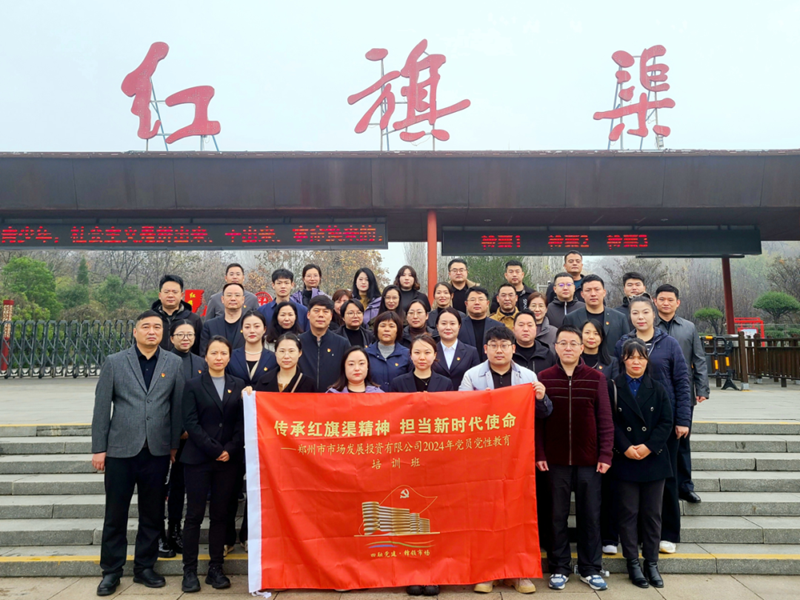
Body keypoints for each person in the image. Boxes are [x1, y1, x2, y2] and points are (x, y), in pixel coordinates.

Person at [91, 310, 184, 596]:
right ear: (135, 331)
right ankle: (111, 571)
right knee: (115, 513)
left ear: (163, 333)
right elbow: (101, 407)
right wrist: (99, 448)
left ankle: (145, 567)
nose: (151, 331)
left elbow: (176, 407)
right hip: (120, 450)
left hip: (156, 451)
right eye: (146, 327)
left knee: (152, 513)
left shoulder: (174, 363)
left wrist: (173, 445)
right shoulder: (115, 362)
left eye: (157, 327)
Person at [458, 326, 551, 596]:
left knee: (519, 514)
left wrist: (541, 397)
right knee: (485, 515)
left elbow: (544, 413)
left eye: (504, 345)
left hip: (518, 459)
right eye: (494, 345)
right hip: (483, 459)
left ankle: (518, 573)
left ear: (513, 348)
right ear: (485, 349)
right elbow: (461, 414)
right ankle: (487, 572)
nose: (499, 350)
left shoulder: (528, 376)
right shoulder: (472, 375)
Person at [537, 325, 613, 592]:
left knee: (590, 515)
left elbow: (605, 419)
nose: (568, 348)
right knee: (556, 516)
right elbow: (538, 422)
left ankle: (590, 568)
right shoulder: (544, 377)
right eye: (563, 343)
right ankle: (559, 567)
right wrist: (540, 453)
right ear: (555, 347)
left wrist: (605, 453)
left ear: (582, 348)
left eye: (573, 343)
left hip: (589, 461)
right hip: (555, 460)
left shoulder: (596, 378)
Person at [615, 296, 691, 555]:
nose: (640, 317)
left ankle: (668, 534)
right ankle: (636, 537)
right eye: (635, 313)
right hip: (630, 421)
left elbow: (681, 380)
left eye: (645, 312)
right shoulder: (623, 343)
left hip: (662, 422)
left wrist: (683, 419)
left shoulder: (668, 343)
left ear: (654, 314)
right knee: (633, 484)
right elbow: (616, 377)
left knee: (665, 480)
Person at [179, 336, 245, 593]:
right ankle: (189, 570)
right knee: (194, 516)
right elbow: (190, 422)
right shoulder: (193, 385)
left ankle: (216, 568)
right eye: (214, 353)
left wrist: (230, 449)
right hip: (198, 459)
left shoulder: (239, 385)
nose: (219, 357)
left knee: (220, 515)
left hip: (228, 461)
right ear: (205, 357)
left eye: (223, 353)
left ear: (229, 356)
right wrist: (215, 449)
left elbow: (241, 423)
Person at [612, 339, 672, 589]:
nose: (636, 362)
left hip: (653, 459)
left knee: (652, 514)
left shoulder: (658, 388)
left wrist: (648, 446)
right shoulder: (613, 387)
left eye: (641, 357)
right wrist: (625, 447)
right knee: (628, 513)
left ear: (647, 361)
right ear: (623, 360)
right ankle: (632, 563)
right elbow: (609, 422)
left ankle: (651, 562)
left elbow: (666, 422)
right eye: (631, 357)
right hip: (625, 458)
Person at [655, 284, 710, 505]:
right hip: (656, 392)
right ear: (655, 301)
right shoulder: (648, 325)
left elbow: (699, 359)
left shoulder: (689, 327)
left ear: (677, 303)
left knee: (683, 442)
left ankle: (685, 486)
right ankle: (660, 486)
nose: (666, 303)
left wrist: (702, 388)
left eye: (670, 300)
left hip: (683, 392)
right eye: (662, 299)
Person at [161, 320, 205, 558]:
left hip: (194, 437)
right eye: (181, 334)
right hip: (169, 435)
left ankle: (176, 529)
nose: (186, 338)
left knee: (182, 486)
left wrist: (192, 429)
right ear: (172, 338)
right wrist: (177, 431)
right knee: (167, 486)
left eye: (190, 334)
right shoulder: (164, 361)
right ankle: (164, 531)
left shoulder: (201, 363)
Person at [580, 320, 620, 556]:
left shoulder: (612, 363)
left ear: (602, 337)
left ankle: (609, 537)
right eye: (587, 332)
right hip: (581, 431)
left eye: (596, 333)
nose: (591, 337)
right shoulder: (573, 361)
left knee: (608, 489)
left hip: (604, 428)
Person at [564, 274, 629, 356]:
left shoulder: (619, 318)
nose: (593, 294)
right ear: (582, 294)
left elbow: (627, 347)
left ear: (604, 292)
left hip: (612, 363)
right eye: (588, 290)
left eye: (597, 289)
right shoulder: (571, 318)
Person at [298, 295, 351, 392]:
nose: (321, 315)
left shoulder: (342, 343)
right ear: (308, 315)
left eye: (325, 311)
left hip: (334, 397)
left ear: (331, 316)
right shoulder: (297, 343)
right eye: (316, 311)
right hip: (303, 397)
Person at [152, 275, 202, 354]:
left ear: (181, 295)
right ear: (160, 295)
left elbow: (199, 349)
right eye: (166, 292)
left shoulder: (194, 319)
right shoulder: (149, 318)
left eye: (175, 292)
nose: (170, 295)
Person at [252, 333, 317, 393]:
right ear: (275, 353)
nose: (286, 356)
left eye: (291, 351)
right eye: (282, 351)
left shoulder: (309, 384)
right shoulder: (264, 381)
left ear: (299, 353)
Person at [432, 308, 480, 390]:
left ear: (459, 326)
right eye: (443, 323)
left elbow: (476, 380)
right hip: (436, 397)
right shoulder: (430, 352)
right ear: (437, 326)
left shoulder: (471, 352)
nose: (448, 327)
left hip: (463, 396)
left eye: (452, 323)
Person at [227, 310, 278, 387]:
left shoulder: (274, 358)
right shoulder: (231, 356)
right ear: (241, 330)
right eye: (247, 327)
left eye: (256, 326)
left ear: (264, 329)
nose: (252, 331)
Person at [365, 311, 411, 392]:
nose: (386, 329)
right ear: (376, 329)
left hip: (399, 398)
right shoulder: (365, 354)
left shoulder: (407, 354)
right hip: (372, 398)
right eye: (382, 326)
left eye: (391, 326)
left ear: (398, 330)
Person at [457, 287, 504, 362]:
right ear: (466, 304)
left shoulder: (499, 327)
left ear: (487, 303)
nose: (477, 303)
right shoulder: (458, 326)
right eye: (472, 300)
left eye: (481, 299)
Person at [199, 283, 246, 356]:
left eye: (237, 295)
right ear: (222, 299)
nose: (233, 298)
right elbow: (204, 355)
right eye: (229, 295)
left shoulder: (250, 326)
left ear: (243, 299)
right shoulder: (210, 326)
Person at [511, 310, 556, 375]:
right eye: (521, 325)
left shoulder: (547, 354)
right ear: (513, 329)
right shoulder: (508, 354)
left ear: (536, 328)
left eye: (530, 325)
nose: (525, 329)